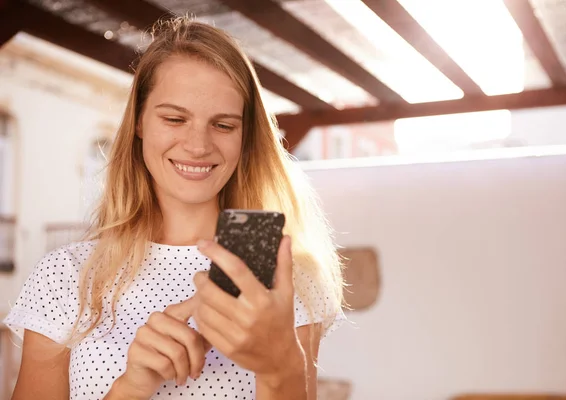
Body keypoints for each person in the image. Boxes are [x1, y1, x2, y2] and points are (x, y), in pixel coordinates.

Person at [4, 17, 345, 400]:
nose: (198, 145)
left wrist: (280, 367)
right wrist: (130, 388)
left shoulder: (290, 277)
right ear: (139, 123)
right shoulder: (64, 277)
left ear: (245, 137)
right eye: (174, 118)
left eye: (223, 125)